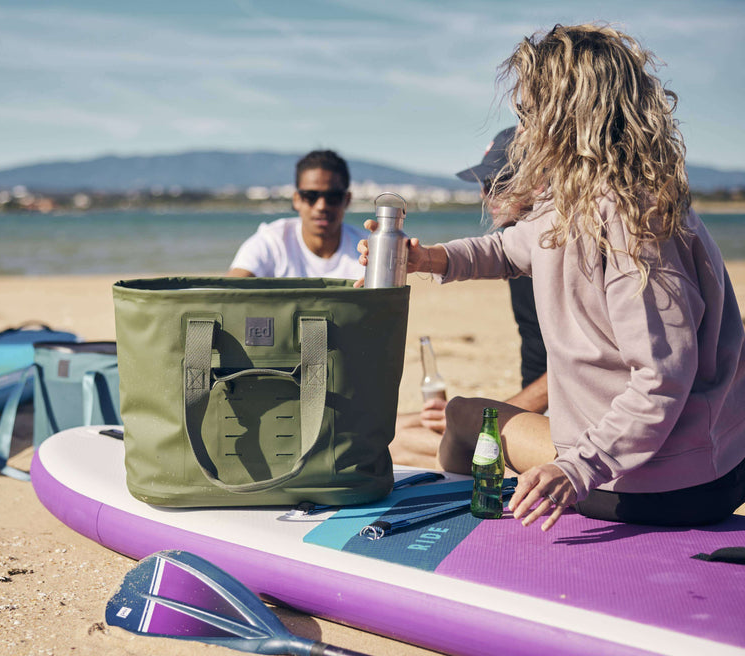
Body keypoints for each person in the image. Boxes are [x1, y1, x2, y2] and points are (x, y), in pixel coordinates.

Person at [361, 24, 745, 530]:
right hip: (673, 462)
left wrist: (576, 467)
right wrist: (428, 258)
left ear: (567, 114)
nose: (521, 131)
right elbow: (508, 248)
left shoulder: (635, 223)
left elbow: (662, 378)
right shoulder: (579, 199)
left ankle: (467, 534)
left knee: (463, 417)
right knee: (471, 415)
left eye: (526, 112)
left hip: (664, 482)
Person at [390, 128, 549, 466]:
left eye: (497, 183)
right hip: (542, 416)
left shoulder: (551, 250)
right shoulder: (522, 248)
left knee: (403, 440)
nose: (485, 193)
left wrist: (489, 416)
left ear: (539, 181)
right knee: (395, 428)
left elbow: (570, 372)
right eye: (484, 183)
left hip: (567, 431)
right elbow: (487, 254)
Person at [227, 150, 368, 279]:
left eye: (333, 197)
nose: (321, 206)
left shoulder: (367, 249)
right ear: (297, 199)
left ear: (347, 200)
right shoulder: (273, 242)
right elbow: (230, 292)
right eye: (310, 196)